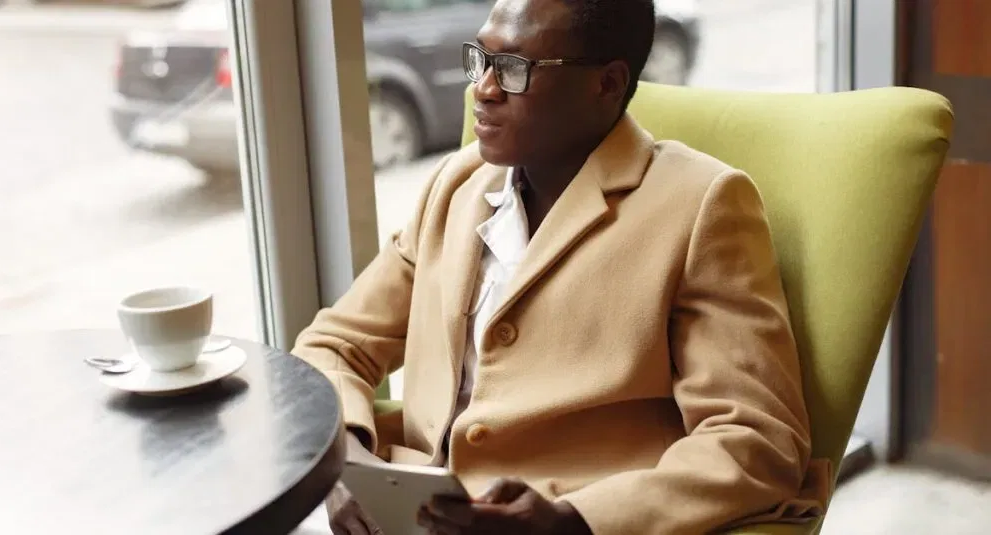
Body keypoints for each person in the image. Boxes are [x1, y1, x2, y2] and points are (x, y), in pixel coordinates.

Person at [293, 0, 830, 533]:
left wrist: (574, 522)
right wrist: (349, 467)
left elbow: (758, 440)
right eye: (481, 57)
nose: (482, 88)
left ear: (607, 84)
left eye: (514, 69)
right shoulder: (455, 185)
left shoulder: (701, 206)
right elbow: (334, 346)